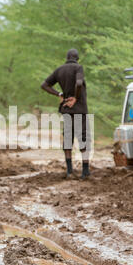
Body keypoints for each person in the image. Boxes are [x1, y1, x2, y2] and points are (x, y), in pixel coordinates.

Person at [41, 49, 91, 179]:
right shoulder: (78, 68)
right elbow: (79, 83)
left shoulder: (59, 70)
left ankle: (69, 171)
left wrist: (60, 94)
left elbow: (44, 85)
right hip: (79, 108)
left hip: (66, 110)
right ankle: (85, 172)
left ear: (67, 57)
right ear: (77, 58)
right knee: (83, 138)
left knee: (68, 138)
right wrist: (75, 97)